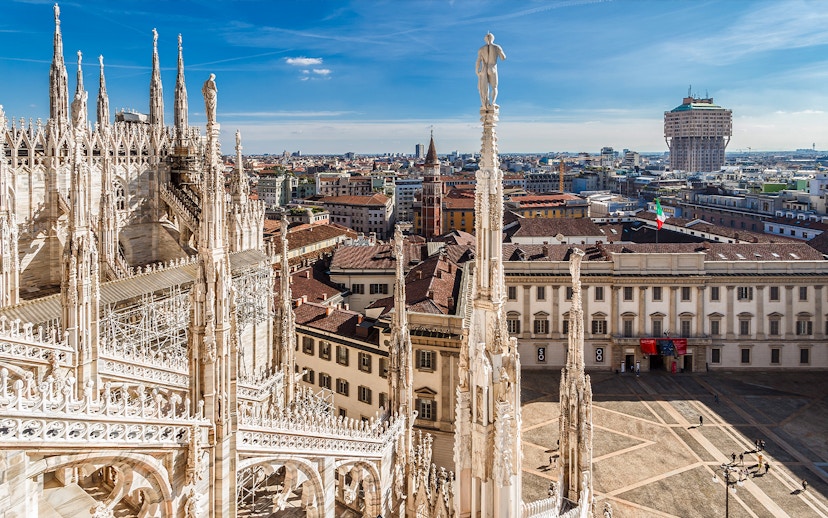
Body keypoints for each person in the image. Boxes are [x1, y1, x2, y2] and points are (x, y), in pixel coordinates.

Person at [475, 33, 506, 108]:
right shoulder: (497, 47)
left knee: (485, 87)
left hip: (484, 69)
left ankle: (486, 103)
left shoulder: (481, 49)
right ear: (493, 38)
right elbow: (503, 58)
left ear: (485, 39)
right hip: (492, 68)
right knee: (494, 87)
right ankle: (493, 103)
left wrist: (477, 70)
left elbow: (478, 61)